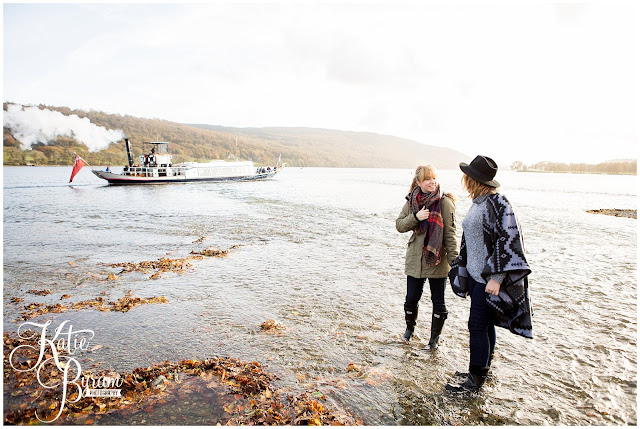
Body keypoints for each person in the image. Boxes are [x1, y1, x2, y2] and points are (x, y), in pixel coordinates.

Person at [445, 155, 532, 392]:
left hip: (488, 280)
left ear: (473, 179)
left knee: (476, 326)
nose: (464, 179)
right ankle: (482, 369)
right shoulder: (479, 202)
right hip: (475, 277)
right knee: (484, 325)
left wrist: (497, 278)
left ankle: (474, 382)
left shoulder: (499, 203)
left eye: (467, 176)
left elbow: (509, 240)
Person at [395, 165, 459, 348]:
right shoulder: (412, 201)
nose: (432, 182)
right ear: (418, 182)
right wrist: (416, 216)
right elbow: (399, 225)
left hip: (437, 260)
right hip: (415, 259)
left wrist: (455, 264)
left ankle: (434, 341)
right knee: (410, 299)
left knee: (438, 301)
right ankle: (409, 331)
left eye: (434, 178)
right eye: (427, 179)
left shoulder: (445, 202)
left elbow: (450, 235)